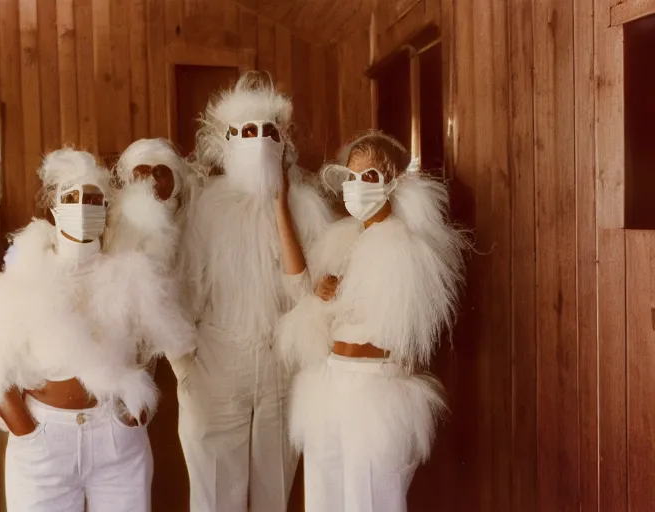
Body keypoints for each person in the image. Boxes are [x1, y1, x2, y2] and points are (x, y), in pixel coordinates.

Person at [0, 148, 196, 512]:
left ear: (106, 210)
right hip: (44, 439)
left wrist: (135, 413)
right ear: (55, 208)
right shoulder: (27, 275)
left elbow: (151, 344)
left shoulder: (130, 273)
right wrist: (27, 433)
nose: (83, 206)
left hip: (116, 439)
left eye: (94, 199)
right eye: (72, 197)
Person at [277, 131, 466, 512]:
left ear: (394, 183)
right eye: (351, 177)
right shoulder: (342, 242)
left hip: (375, 388)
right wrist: (324, 294)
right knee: (323, 497)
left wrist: (349, 293)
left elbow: (408, 335)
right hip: (330, 384)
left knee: (371, 499)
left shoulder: (409, 248)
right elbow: (317, 316)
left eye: (370, 177)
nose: (357, 186)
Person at [172, 71, 335, 512]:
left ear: (283, 143)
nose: (259, 139)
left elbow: (302, 294)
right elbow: (184, 296)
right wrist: (184, 370)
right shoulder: (205, 209)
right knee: (215, 490)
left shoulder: (305, 207)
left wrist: (281, 205)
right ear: (227, 141)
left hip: (279, 368)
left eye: (269, 131)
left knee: (273, 489)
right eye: (247, 132)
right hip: (217, 365)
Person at [105, 137, 196, 271]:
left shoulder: (186, 223)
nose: (150, 181)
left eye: (160, 174)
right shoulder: (118, 223)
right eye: (141, 175)